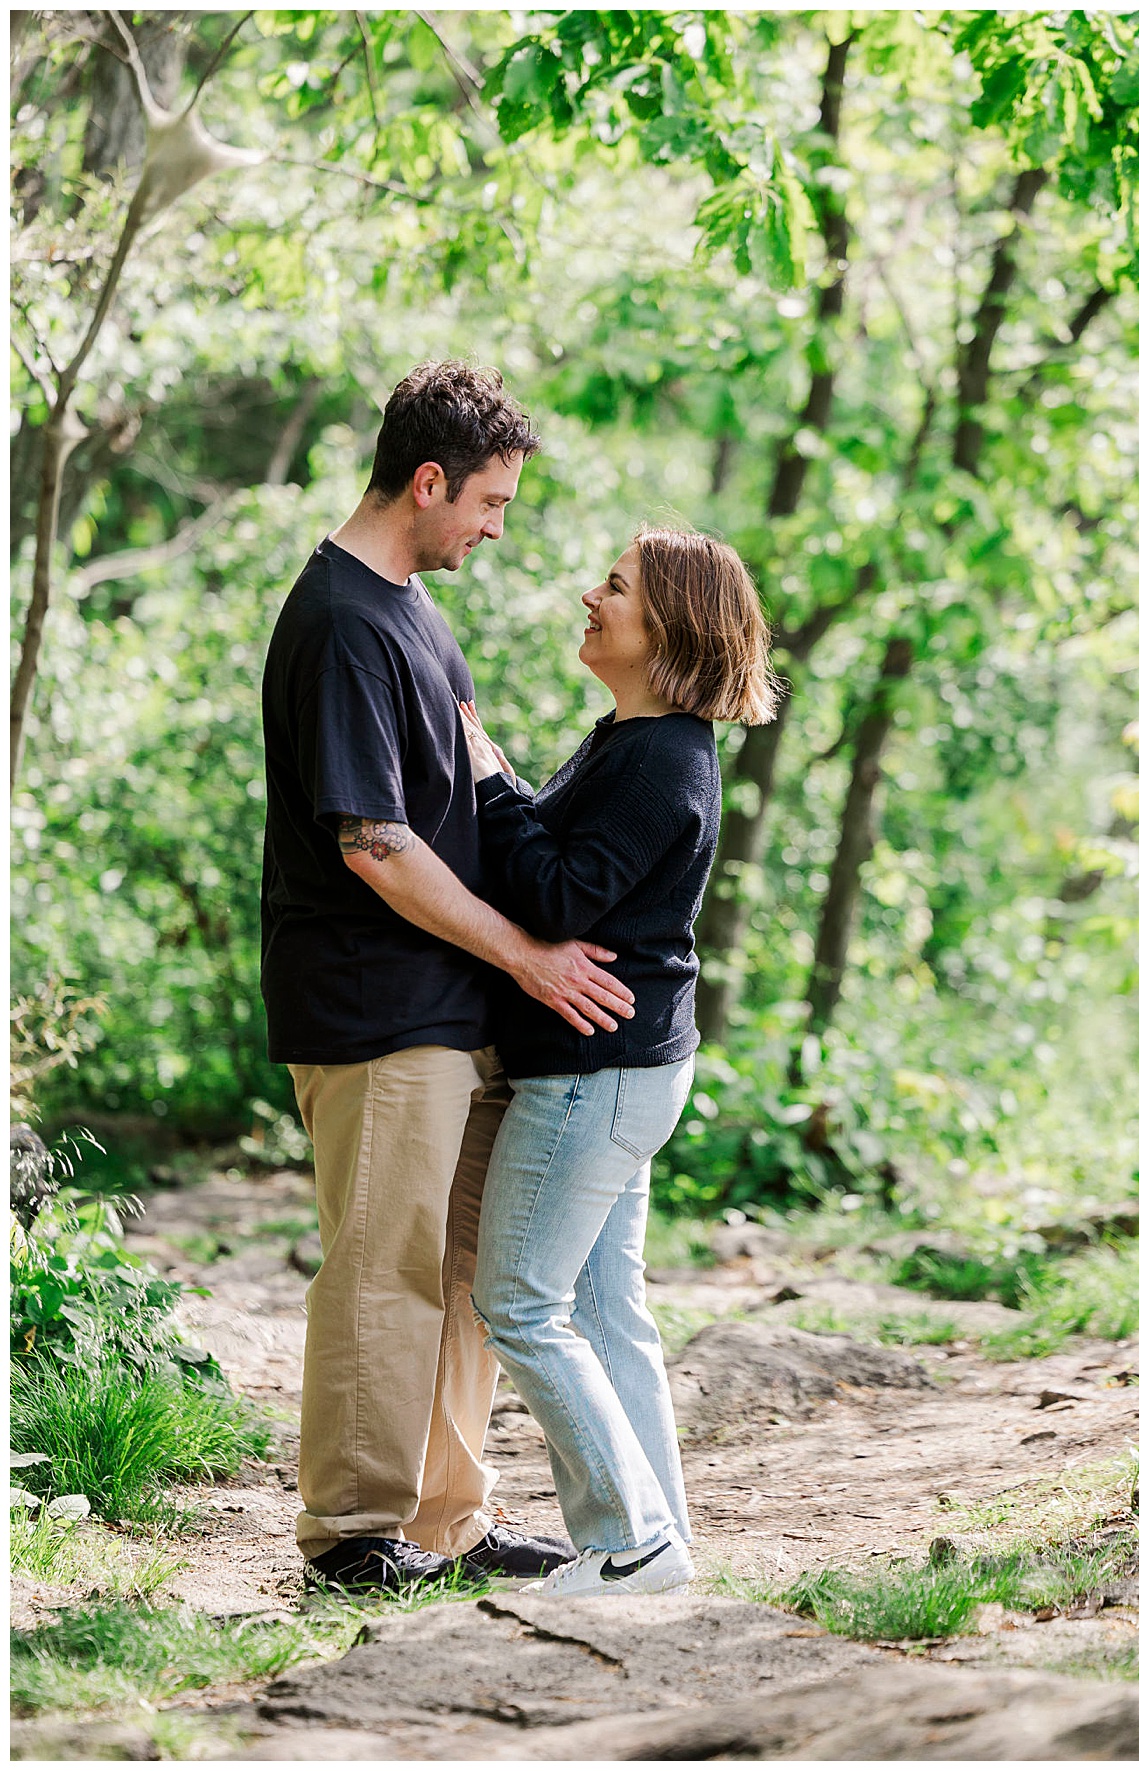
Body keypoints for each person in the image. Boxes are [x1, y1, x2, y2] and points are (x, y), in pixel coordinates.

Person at [261, 360, 639, 1592]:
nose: (491, 528)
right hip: (375, 1010)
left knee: (465, 1272)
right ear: (426, 481)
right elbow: (373, 841)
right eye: (487, 503)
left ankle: (444, 1519)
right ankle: (352, 1532)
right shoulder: (337, 621)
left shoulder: (416, 612)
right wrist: (527, 956)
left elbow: (466, 794)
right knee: (386, 1264)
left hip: (455, 1009)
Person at [461, 528, 779, 1598]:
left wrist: (486, 781)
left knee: (518, 1302)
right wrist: (505, 777)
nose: (589, 595)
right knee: (603, 1313)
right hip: (618, 1070)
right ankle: (661, 1540)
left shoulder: (663, 760)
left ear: (672, 629)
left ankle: (626, 1543)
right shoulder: (629, 738)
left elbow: (552, 897)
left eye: (616, 588)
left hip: (593, 1079)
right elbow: (559, 863)